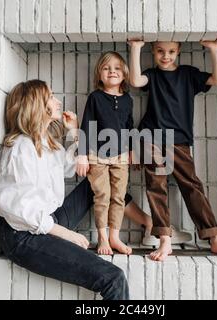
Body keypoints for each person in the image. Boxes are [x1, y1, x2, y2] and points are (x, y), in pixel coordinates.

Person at [0, 79, 150, 299]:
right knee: (113, 277)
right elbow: (18, 210)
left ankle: (149, 224)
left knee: (96, 180)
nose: (57, 101)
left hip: (48, 220)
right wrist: (67, 235)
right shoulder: (21, 149)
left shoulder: (45, 141)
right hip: (22, 237)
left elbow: (72, 167)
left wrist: (74, 131)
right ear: (37, 104)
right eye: (51, 97)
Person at [128, 40, 217, 262]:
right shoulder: (152, 75)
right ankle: (165, 239)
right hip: (150, 137)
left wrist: (214, 49)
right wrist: (136, 48)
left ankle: (215, 238)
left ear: (178, 51)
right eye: (161, 51)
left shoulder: (187, 74)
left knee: (191, 185)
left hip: (179, 141)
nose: (166, 56)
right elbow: (135, 80)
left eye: (171, 51)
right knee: (157, 187)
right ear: (153, 51)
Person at [76, 51, 134, 255]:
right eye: (106, 68)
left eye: (117, 68)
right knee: (103, 195)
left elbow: (129, 126)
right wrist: (82, 155)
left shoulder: (127, 99)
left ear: (125, 74)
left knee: (118, 197)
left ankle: (114, 237)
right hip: (97, 155)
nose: (112, 71)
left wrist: (132, 149)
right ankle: (102, 237)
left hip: (121, 155)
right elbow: (86, 125)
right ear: (99, 74)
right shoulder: (96, 98)